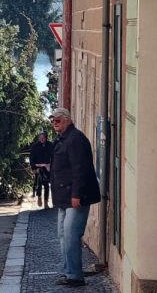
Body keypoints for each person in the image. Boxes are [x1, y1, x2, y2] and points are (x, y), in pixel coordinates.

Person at [49, 107, 101, 288]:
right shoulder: (63, 139)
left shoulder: (76, 138)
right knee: (63, 235)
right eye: (52, 120)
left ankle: (75, 276)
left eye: (58, 120)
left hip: (75, 197)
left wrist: (77, 194)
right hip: (64, 197)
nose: (55, 123)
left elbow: (81, 169)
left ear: (67, 119)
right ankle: (69, 272)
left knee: (71, 235)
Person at [29, 131, 53, 208]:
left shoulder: (50, 145)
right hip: (38, 168)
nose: (41, 139)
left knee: (46, 185)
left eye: (43, 138)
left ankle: (46, 202)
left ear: (46, 138)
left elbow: (54, 156)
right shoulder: (35, 146)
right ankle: (39, 197)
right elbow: (31, 158)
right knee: (39, 183)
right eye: (40, 138)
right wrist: (33, 168)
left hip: (47, 167)